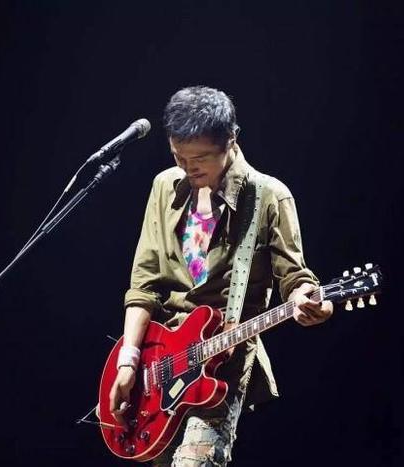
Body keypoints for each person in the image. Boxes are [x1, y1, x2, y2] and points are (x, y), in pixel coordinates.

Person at [108, 86, 333, 466]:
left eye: (200, 158)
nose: (188, 167)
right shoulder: (164, 186)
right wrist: (129, 361)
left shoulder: (269, 196)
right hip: (158, 362)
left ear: (231, 140)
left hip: (222, 363)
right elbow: (143, 284)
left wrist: (307, 299)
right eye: (178, 156)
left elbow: (295, 277)